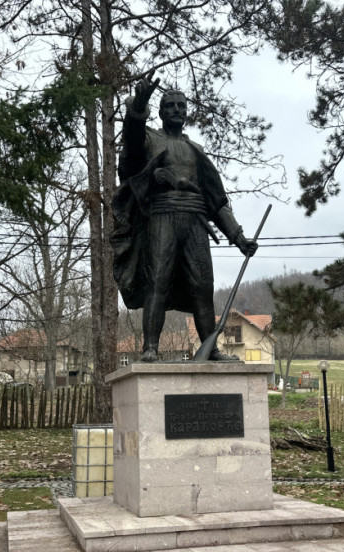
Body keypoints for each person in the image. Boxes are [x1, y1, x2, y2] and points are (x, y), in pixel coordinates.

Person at [111, 73, 258, 363]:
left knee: (203, 287)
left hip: (195, 223)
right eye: (170, 106)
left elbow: (216, 202)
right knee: (157, 282)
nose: (177, 110)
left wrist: (239, 237)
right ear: (161, 112)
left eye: (181, 106)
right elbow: (132, 146)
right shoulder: (151, 140)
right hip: (161, 219)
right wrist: (137, 109)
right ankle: (150, 348)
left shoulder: (196, 151)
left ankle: (210, 349)